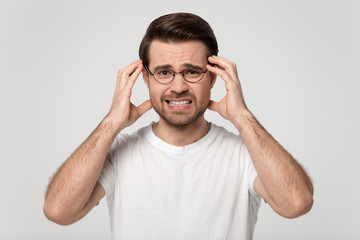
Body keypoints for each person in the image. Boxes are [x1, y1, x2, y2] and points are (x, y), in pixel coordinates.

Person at [43, 12, 314, 240]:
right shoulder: (118, 152)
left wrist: (243, 117)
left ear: (213, 78)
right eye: (164, 73)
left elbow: (296, 204)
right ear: (146, 80)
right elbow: (59, 211)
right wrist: (111, 123)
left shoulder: (245, 154)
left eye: (192, 71)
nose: (179, 86)